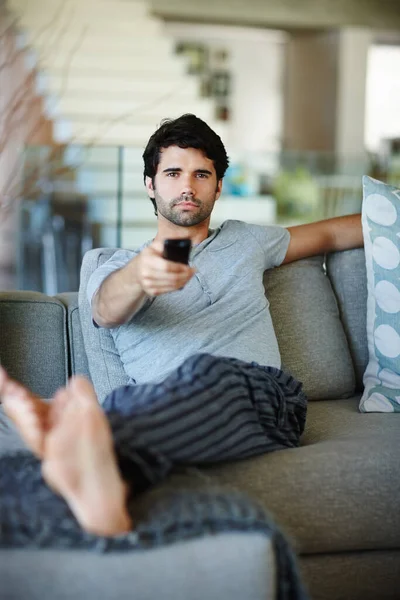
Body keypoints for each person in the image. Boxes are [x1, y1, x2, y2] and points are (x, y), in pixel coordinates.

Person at [0, 113, 363, 548]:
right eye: (172, 173)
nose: (187, 185)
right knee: (139, 401)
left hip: (262, 398)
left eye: (201, 174)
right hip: (154, 404)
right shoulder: (115, 266)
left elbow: (335, 232)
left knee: (209, 374)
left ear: (218, 186)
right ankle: (97, 473)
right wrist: (142, 276)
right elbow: (105, 308)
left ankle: (83, 448)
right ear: (151, 185)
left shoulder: (248, 241)